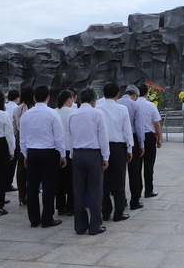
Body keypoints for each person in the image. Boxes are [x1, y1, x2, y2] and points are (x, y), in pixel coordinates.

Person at [19, 85, 66, 228]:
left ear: (34, 98)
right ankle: (47, 218)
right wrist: (62, 154)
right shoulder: (52, 113)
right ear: (48, 98)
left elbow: (23, 137)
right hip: (48, 153)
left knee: (32, 186)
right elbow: (59, 136)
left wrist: (25, 154)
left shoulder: (27, 115)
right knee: (49, 186)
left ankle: (34, 219)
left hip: (32, 152)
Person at [69, 87, 109, 235]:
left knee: (78, 191)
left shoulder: (73, 115)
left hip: (78, 154)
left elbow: (71, 136)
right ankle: (95, 225)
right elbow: (103, 137)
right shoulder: (97, 113)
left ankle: (80, 225)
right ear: (93, 101)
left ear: (79, 100)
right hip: (93, 155)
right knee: (95, 191)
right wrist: (105, 157)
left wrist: (73, 155)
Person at [97, 82, 133, 222]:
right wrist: (129, 149)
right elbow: (127, 131)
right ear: (117, 94)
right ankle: (119, 212)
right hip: (118, 147)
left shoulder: (98, 108)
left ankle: (105, 211)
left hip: (102, 147)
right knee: (119, 181)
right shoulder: (122, 109)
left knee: (104, 181)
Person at [118, 85, 145, 211]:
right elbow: (139, 127)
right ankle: (135, 201)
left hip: (118, 141)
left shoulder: (116, 103)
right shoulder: (135, 105)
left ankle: (121, 200)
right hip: (132, 139)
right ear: (134, 95)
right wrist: (142, 144)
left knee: (118, 174)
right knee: (134, 172)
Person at [136, 83, 162, 197]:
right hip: (149, 137)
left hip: (136, 137)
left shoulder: (132, 105)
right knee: (149, 165)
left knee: (136, 166)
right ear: (147, 93)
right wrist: (159, 139)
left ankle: (137, 191)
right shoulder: (151, 106)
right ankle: (148, 190)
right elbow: (157, 124)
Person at [12, 86, 35, 205]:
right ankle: (32, 192)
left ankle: (22, 194)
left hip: (20, 139)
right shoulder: (33, 109)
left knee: (21, 167)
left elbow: (15, 127)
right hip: (33, 138)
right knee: (33, 168)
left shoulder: (17, 109)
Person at [55, 90, 75, 216]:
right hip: (70, 149)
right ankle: (71, 207)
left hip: (57, 150)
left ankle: (60, 206)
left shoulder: (54, 112)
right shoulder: (74, 113)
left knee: (59, 180)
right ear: (68, 99)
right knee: (72, 180)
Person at [5, 89, 21, 191]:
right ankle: (8, 184)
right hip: (13, 137)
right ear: (17, 98)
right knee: (12, 163)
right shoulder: (17, 108)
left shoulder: (4, 107)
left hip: (2, 137)